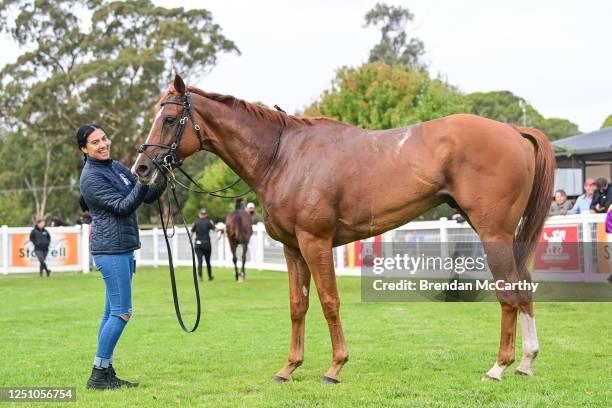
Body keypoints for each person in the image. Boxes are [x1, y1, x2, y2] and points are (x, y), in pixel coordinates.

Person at [76, 123, 162, 390]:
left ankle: (105, 370)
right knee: (123, 312)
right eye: (95, 142)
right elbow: (122, 207)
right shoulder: (90, 178)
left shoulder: (115, 167)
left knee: (111, 312)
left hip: (122, 249)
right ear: (84, 149)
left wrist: (163, 174)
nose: (103, 144)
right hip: (109, 251)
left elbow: (145, 196)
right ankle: (99, 374)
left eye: (104, 138)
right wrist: (144, 181)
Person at [191, 208, 217, 281]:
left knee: (199, 261)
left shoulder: (195, 222)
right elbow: (215, 230)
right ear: (206, 215)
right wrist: (222, 229)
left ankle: (200, 277)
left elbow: (191, 233)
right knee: (208, 261)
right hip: (207, 244)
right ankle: (209, 276)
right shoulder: (209, 222)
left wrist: (190, 240)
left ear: (199, 214)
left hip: (198, 244)